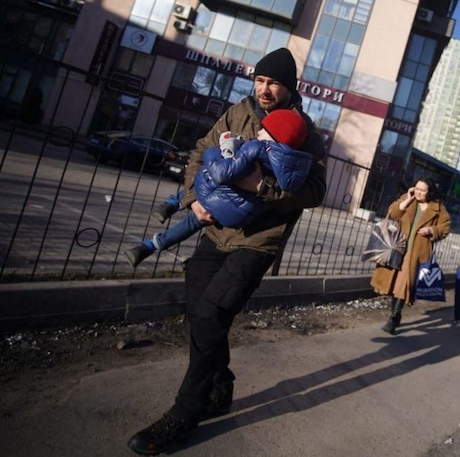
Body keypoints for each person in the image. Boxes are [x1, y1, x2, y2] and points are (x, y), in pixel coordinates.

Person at [127, 48, 327, 456]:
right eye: (259, 81)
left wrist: (263, 188)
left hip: (258, 241)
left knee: (211, 313)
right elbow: (202, 150)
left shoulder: (307, 131)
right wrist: (191, 199)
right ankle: (220, 387)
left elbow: (315, 191)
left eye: (273, 83)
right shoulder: (239, 111)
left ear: (289, 88)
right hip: (215, 229)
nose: (264, 89)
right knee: (198, 307)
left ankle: (186, 411)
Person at [123, 110, 311, 267]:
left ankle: (172, 203)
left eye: (264, 129)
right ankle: (150, 246)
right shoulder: (289, 164)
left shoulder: (257, 148)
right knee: (194, 221)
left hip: (222, 194)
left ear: (274, 136)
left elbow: (223, 172)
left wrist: (213, 153)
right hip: (237, 211)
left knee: (206, 176)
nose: (259, 131)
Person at [371, 177, 451, 335]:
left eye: (423, 190)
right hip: (398, 246)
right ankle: (396, 314)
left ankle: (393, 318)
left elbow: (445, 227)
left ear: (430, 192)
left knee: (403, 283)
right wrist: (407, 200)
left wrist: (432, 231)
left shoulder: (437, 207)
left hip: (416, 252)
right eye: (417, 188)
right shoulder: (407, 199)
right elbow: (393, 213)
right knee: (394, 283)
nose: (419, 192)